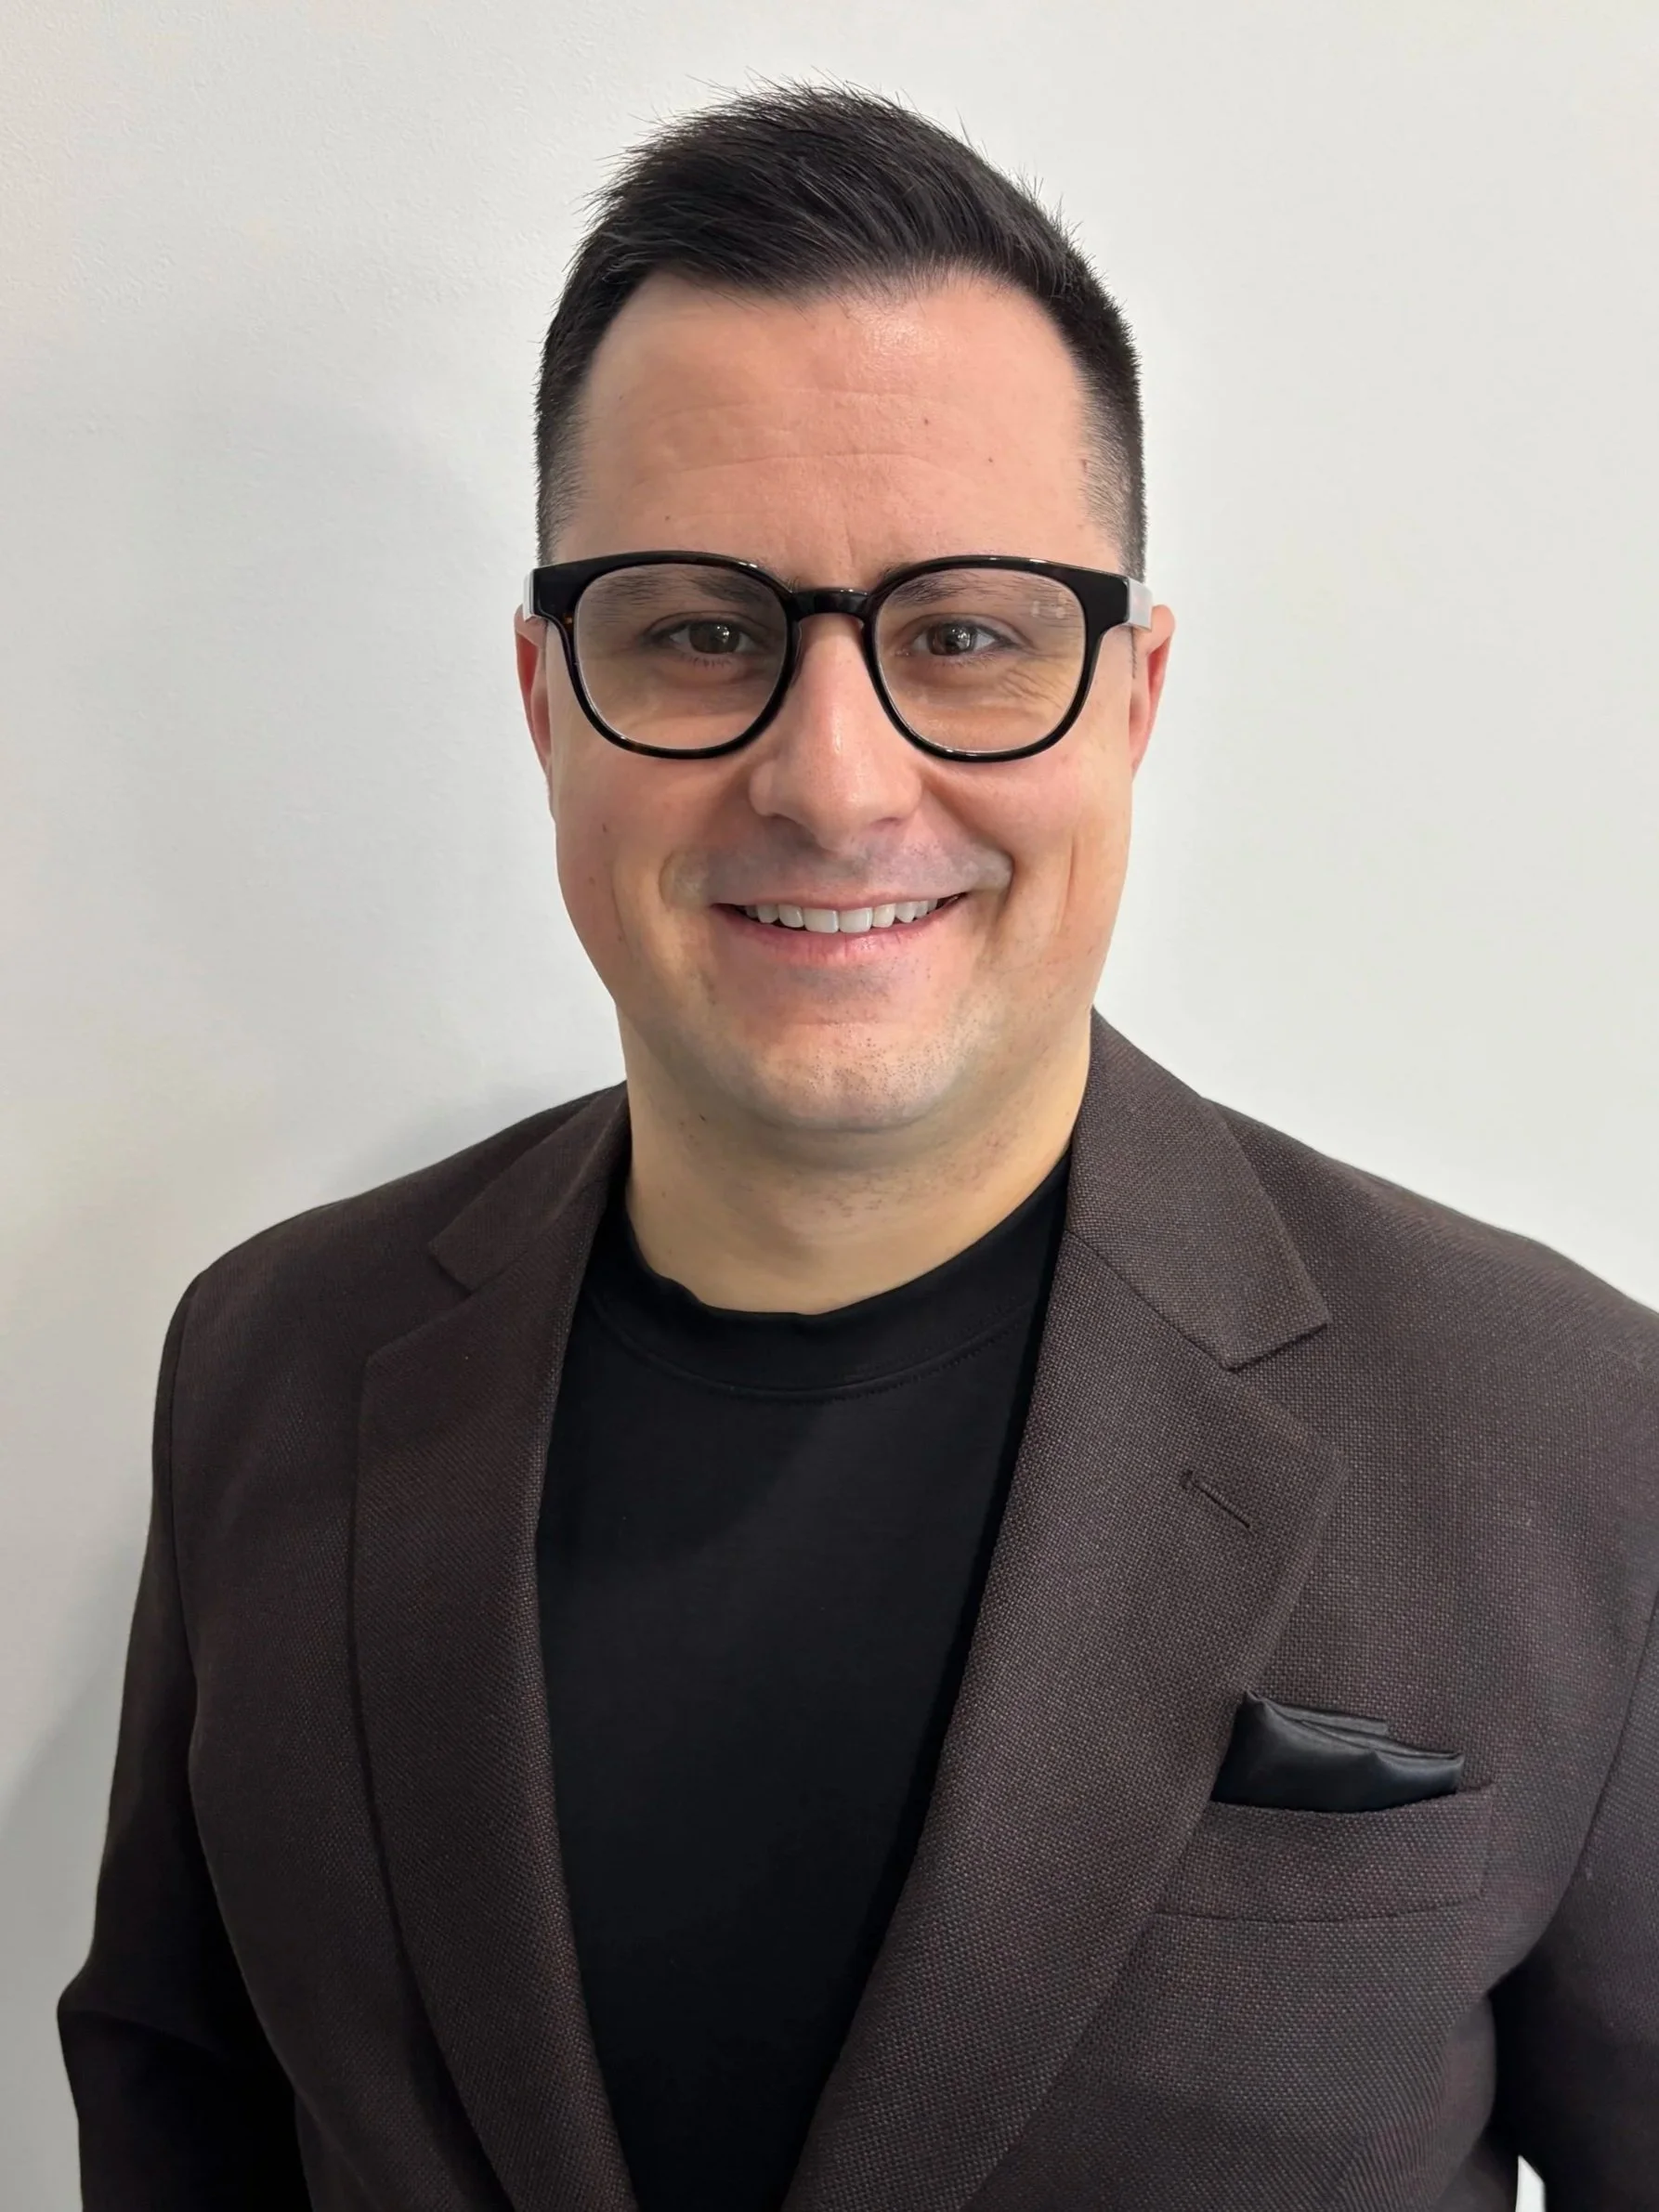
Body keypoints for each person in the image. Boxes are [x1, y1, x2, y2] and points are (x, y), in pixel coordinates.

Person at [59, 82, 1658, 2212]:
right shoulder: (266, 1361)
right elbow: (178, 2105)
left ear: (1131, 699)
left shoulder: (1559, 1429)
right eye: (698, 629)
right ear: (547, 701)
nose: (831, 779)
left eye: (967, 634)